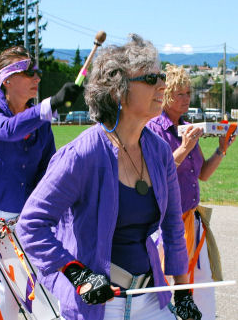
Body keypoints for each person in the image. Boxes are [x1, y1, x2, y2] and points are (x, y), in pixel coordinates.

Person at [16, 35, 202, 320]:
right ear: (118, 90)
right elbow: (31, 224)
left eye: (161, 76)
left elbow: (173, 225)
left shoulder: (160, 151)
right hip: (97, 308)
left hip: (152, 300)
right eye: (151, 78)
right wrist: (76, 274)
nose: (162, 85)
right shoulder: (81, 155)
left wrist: (182, 292)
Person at [0, 45, 83, 319]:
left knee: (43, 297)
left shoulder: (41, 122)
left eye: (38, 73)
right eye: (28, 72)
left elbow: (48, 169)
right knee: (1, 300)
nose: (37, 78)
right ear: (6, 79)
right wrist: (51, 105)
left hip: (30, 221)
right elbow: (8, 130)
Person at [146, 64, 235, 320]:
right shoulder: (153, 129)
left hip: (192, 221)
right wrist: (185, 147)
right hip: (164, 224)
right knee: (164, 287)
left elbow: (203, 174)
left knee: (202, 283)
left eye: (188, 93)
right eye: (180, 94)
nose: (187, 99)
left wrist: (222, 148)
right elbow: (157, 176)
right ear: (165, 96)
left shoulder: (187, 126)